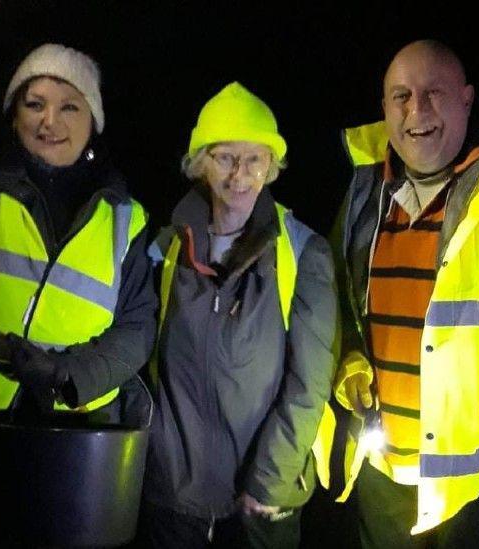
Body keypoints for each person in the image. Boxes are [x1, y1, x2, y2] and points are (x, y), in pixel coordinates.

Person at [330, 40, 479, 547]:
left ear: (467, 98)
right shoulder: (362, 194)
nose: (417, 111)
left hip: (475, 486)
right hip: (381, 473)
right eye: (401, 96)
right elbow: (340, 301)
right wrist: (349, 358)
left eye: (434, 93)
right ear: (384, 109)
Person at [142, 82, 337, 548]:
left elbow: (310, 384)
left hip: (257, 507)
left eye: (255, 158)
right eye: (225, 157)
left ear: (271, 166)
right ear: (200, 163)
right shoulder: (164, 248)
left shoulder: (303, 252)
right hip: (172, 502)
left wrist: (267, 484)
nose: (239, 175)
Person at [0, 43, 156, 418]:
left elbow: (136, 328)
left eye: (70, 107)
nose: (50, 121)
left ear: (93, 122)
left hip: (73, 430)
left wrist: (66, 375)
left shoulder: (124, 216)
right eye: (35, 104)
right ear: (13, 116)